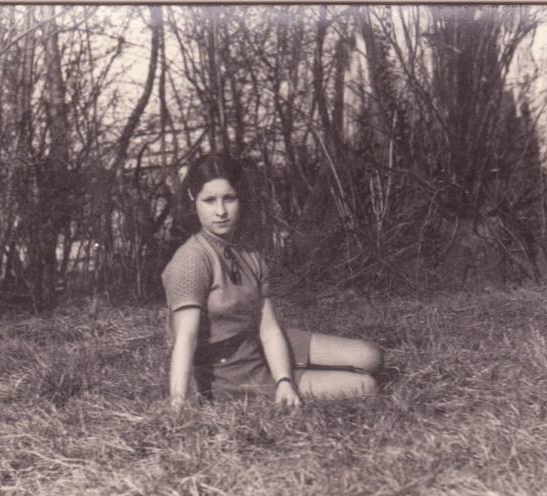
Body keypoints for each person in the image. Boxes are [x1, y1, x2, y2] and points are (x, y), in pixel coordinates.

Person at [162, 153, 382, 410]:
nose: (221, 211)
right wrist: (178, 401)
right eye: (209, 200)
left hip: (256, 343)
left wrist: (285, 380)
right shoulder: (191, 259)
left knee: (371, 356)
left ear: (240, 198)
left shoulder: (249, 254)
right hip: (229, 371)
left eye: (229, 198)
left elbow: (268, 328)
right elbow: (185, 338)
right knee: (365, 386)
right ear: (193, 199)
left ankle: (293, 372)